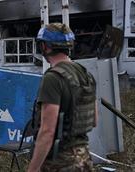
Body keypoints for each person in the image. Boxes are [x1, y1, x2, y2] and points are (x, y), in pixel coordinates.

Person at [28, 23, 98, 172]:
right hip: (84, 160)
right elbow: (94, 120)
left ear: (45, 47)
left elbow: (47, 132)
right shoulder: (86, 74)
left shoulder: (52, 78)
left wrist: (32, 169)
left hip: (59, 163)